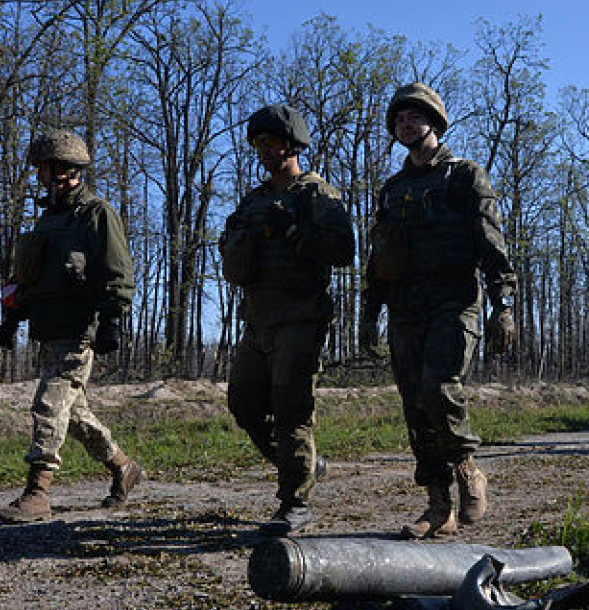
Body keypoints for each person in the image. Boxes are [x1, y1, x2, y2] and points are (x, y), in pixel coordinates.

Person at [359, 82, 516, 540]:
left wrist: (503, 305)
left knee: (438, 386)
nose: (405, 124)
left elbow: (492, 243)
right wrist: (369, 315)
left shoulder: (465, 175)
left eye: (414, 116)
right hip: (406, 308)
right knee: (414, 405)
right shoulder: (391, 190)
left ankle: (468, 468)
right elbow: (378, 258)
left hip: (455, 300)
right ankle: (437, 504)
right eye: (398, 119)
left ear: (434, 121)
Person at [219, 104, 355, 536]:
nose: (265, 151)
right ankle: (303, 465)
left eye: (273, 142)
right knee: (243, 401)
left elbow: (343, 252)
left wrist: (295, 232)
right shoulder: (254, 200)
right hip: (257, 320)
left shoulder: (318, 195)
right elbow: (230, 255)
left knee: (291, 409)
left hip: (300, 318)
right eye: (259, 143)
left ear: (293, 145)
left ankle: (294, 502)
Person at [0, 129, 141, 523]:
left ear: (64, 170)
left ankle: (38, 492)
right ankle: (124, 467)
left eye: (43, 168)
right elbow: (32, 280)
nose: (39, 176)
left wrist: (112, 320)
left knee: (47, 404)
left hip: (79, 331)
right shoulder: (48, 221)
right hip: (48, 328)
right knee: (73, 415)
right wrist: (11, 318)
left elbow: (118, 272)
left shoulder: (96, 214)